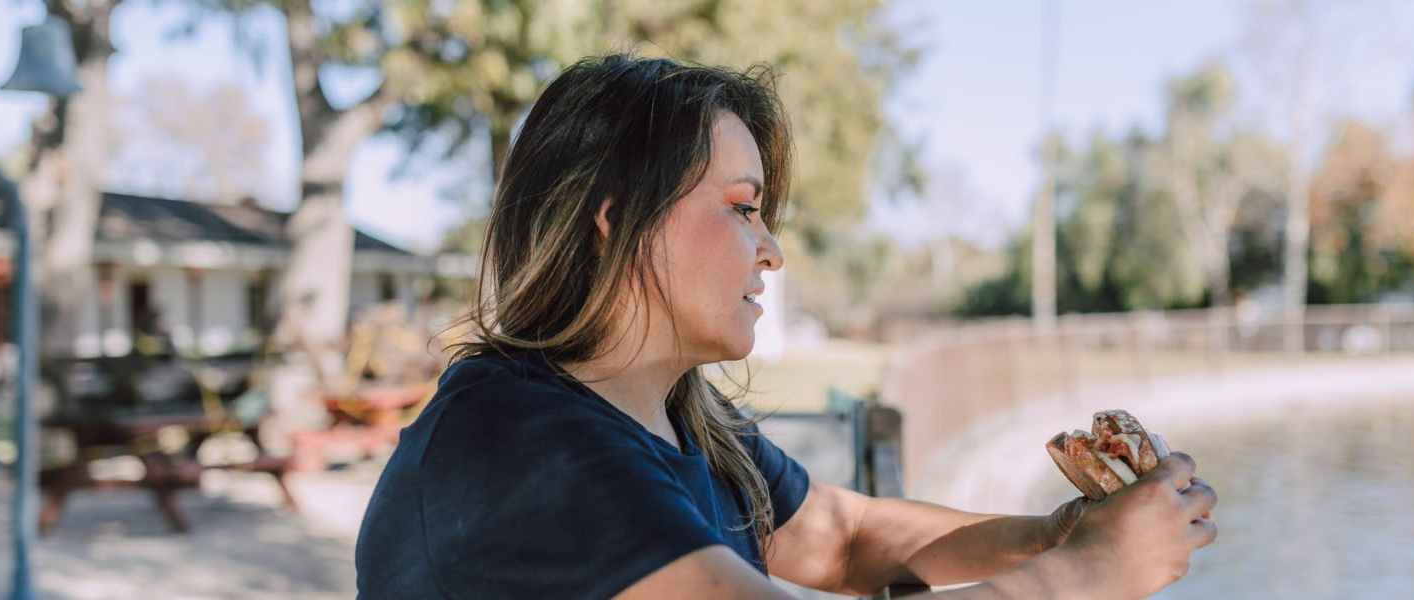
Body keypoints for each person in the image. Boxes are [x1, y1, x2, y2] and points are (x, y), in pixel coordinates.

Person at [354, 54, 1217, 599]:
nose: (771, 251)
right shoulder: (516, 439)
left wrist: (1056, 534)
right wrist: (1087, 575)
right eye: (742, 208)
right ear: (614, 220)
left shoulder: (682, 420)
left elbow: (842, 539)